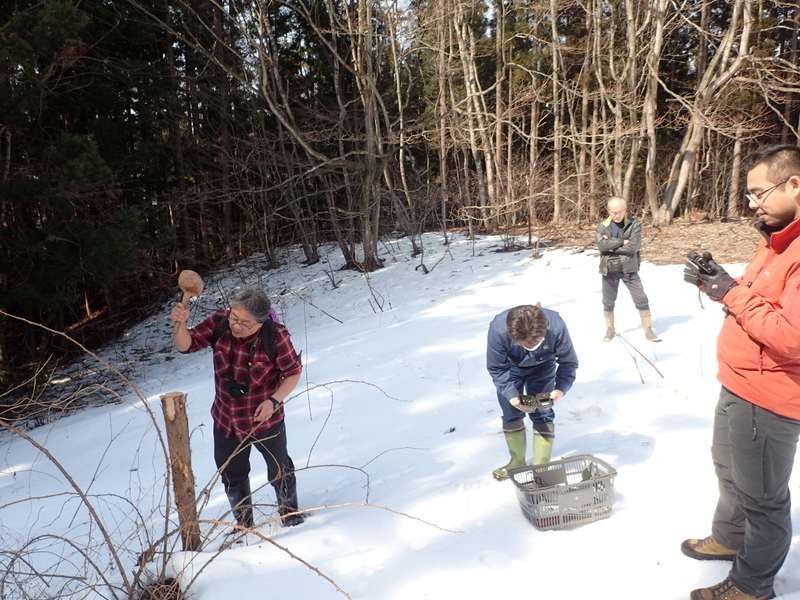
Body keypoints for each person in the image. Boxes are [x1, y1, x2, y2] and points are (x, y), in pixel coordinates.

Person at [681, 144, 800, 600]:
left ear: (793, 184)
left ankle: (752, 585)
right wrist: (719, 281)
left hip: (770, 398)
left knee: (763, 499)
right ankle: (729, 537)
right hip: (737, 382)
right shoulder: (774, 238)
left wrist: (731, 293)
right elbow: (755, 299)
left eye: (758, 193)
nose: (751, 204)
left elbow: (790, 337)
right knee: (728, 470)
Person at [170, 286, 305, 529]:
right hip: (226, 421)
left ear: (261, 322)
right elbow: (185, 346)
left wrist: (273, 401)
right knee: (232, 476)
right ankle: (245, 526)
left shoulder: (276, 337)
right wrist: (179, 324)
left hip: (265, 420)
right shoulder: (219, 324)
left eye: (246, 322)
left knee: (279, 469)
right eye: (234, 317)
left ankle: (290, 515)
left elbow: (292, 373)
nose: (237, 325)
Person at [486, 304, 578, 480]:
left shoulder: (556, 326)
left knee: (542, 411)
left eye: (535, 342)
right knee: (511, 413)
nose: (531, 347)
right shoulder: (498, 329)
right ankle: (517, 461)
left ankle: (541, 467)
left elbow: (569, 363)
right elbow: (497, 368)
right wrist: (511, 395)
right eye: (525, 343)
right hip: (511, 369)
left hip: (543, 367)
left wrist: (560, 389)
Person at [596, 196, 661, 342]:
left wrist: (611, 246)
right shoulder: (602, 225)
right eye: (613, 212)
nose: (616, 215)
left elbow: (634, 247)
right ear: (608, 211)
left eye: (619, 212)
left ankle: (648, 330)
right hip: (609, 269)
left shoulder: (634, 224)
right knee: (608, 301)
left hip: (629, 268)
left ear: (625, 209)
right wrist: (622, 241)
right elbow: (601, 246)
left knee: (641, 298)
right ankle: (610, 330)